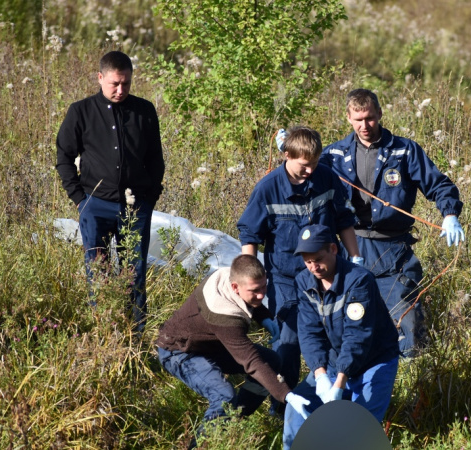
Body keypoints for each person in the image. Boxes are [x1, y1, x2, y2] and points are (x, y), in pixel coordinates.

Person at [320, 88, 465, 356]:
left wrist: (450, 215)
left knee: (406, 317)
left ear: (379, 113)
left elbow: (439, 185)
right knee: (352, 318)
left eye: (370, 118)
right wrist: (290, 150)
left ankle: (413, 371)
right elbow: (305, 174)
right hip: (351, 246)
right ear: (348, 118)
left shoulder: (404, 150)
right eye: (358, 119)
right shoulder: (333, 155)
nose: (365, 125)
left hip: (394, 250)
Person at [237, 126, 363, 396]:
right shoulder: (268, 189)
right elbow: (250, 235)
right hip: (286, 279)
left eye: (314, 164)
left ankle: (334, 394)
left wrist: (355, 258)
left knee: (336, 335)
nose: (309, 170)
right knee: (289, 340)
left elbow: (344, 220)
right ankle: (284, 402)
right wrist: (249, 278)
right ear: (287, 155)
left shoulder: (326, 178)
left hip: (327, 273)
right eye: (304, 165)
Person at [56, 51, 165, 333]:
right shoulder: (80, 111)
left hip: (135, 207)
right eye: (114, 83)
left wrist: (150, 198)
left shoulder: (144, 110)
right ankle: (104, 334)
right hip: (95, 205)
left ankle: (135, 337)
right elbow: (64, 157)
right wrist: (80, 200)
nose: (120, 89)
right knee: (98, 272)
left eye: (126, 83)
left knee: (134, 273)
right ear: (100, 78)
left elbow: (155, 158)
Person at [155, 255, 311, 449]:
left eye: (264, 287)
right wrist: (286, 394)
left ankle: (234, 422)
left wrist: (263, 316)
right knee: (223, 397)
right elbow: (251, 362)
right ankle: (200, 446)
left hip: (208, 344)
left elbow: (246, 299)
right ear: (235, 287)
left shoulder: (227, 276)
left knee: (271, 361)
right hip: (180, 352)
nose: (261, 295)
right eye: (255, 291)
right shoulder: (223, 315)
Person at [283, 224, 399, 449]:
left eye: (318, 259)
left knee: (358, 427)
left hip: (373, 360)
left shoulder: (359, 280)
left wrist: (339, 384)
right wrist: (320, 376)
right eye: (308, 262)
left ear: (333, 249)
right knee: (297, 407)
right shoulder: (303, 282)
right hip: (334, 361)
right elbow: (309, 332)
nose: (314, 267)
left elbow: (357, 336)